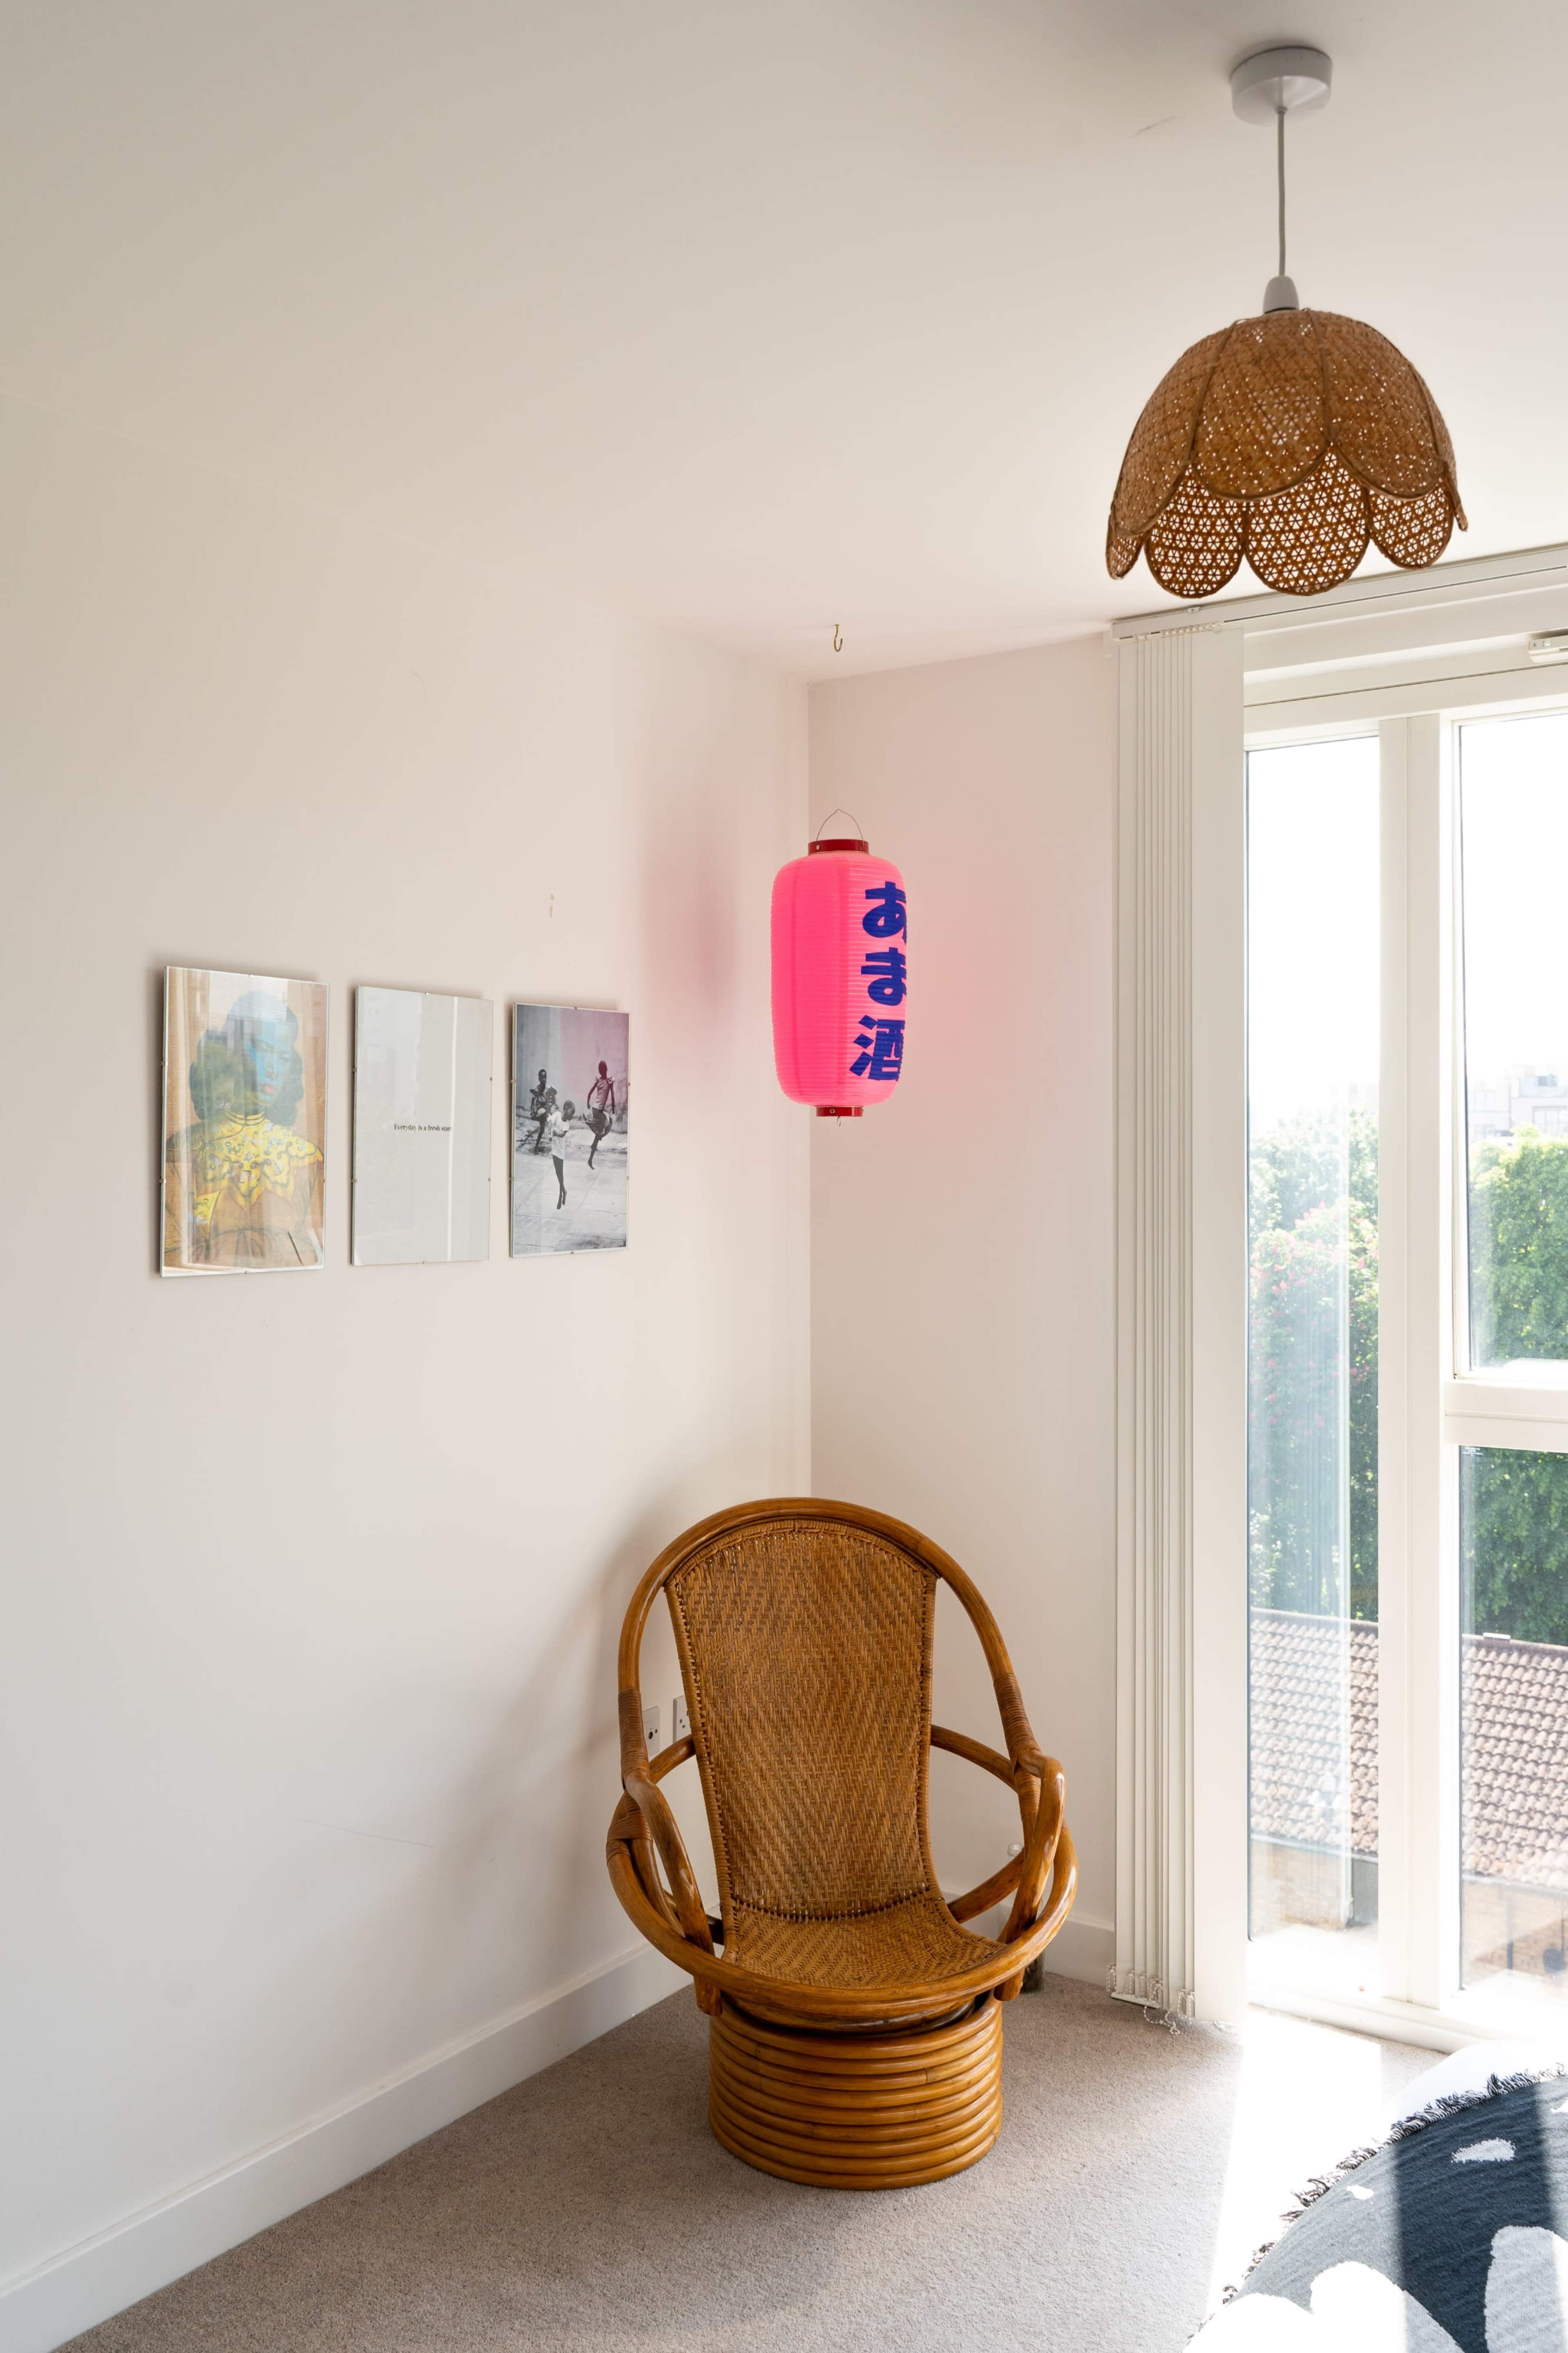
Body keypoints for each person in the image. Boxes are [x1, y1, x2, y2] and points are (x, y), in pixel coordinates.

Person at [164, 990, 324, 1269]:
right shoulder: (183, 1151)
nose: (274, 1069)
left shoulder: (306, 1157)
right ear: (231, 1050)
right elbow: (171, 1254)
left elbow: (316, 1249)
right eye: (262, 1049)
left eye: (284, 1057)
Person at [585, 1060, 616, 1168]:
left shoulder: (601, 1081)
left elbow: (590, 1093)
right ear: (606, 1070)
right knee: (602, 1129)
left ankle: (596, 1138)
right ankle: (590, 1159)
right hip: (598, 1111)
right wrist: (613, 1108)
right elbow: (612, 1096)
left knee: (608, 1122)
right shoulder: (609, 1082)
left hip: (595, 1109)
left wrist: (588, 1104)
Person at [548, 1099, 576, 1210]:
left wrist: (557, 1133)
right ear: (566, 1109)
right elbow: (550, 1122)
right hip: (554, 1149)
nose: (572, 1115)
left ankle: (561, 1196)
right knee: (558, 1173)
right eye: (572, 1112)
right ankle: (564, 1191)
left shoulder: (567, 1124)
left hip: (560, 1151)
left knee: (561, 1175)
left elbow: (562, 1134)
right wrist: (549, 1134)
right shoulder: (557, 1115)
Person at [530, 1083, 557, 1155]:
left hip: (548, 1112)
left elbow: (552, 1102)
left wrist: (551, 1106)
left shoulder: (551, 1093)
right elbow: (534, 1101)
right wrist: (533, 1111)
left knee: (551, 1130)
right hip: (543, 1112)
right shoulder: (539, 1093)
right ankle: (536, 1147)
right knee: (542, 1130)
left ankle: (553, 1149)